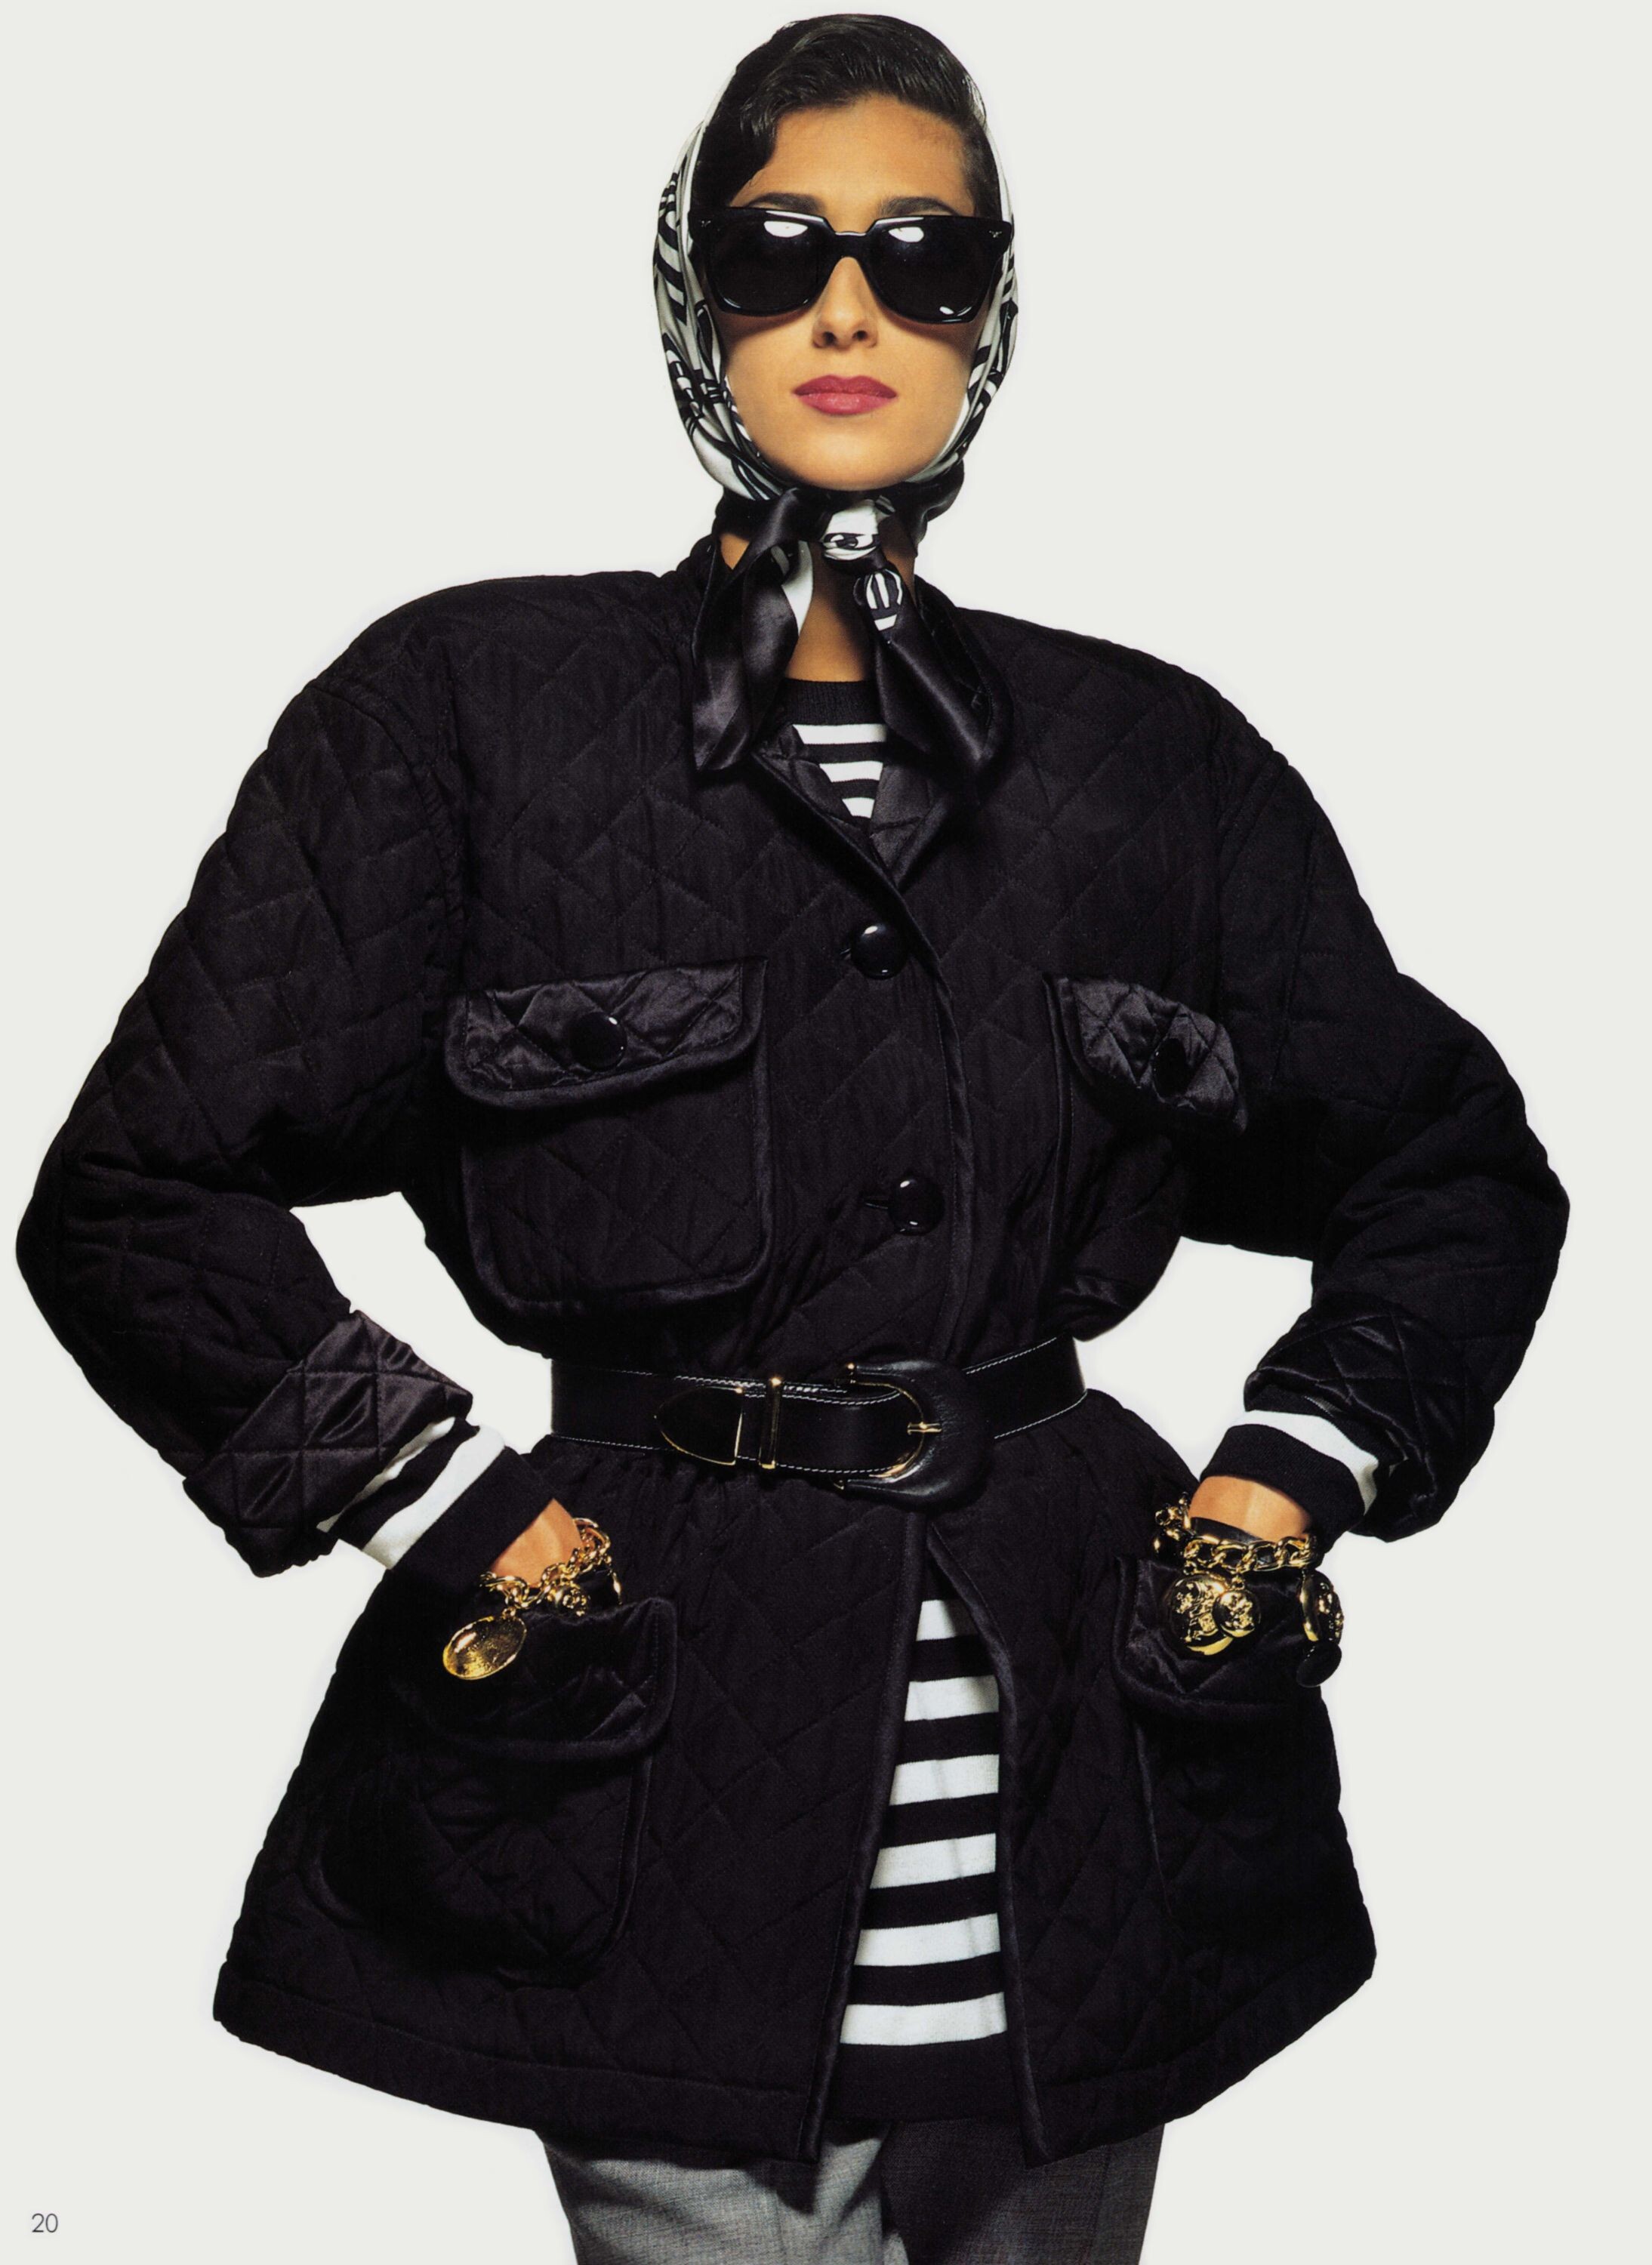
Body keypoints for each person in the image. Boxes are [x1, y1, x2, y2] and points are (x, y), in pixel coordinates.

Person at [14, 14, 1567, 2263]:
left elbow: (1449, 1172)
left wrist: (1287, 1476)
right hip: (650, 1810)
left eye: (922, 259)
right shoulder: (464, 711)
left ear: (993, 317)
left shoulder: (1157, 762)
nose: (850, 309)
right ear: (691, 294)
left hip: (1095, 1830)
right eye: (778, 250)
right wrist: (447, 1511)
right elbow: (135, 1193)